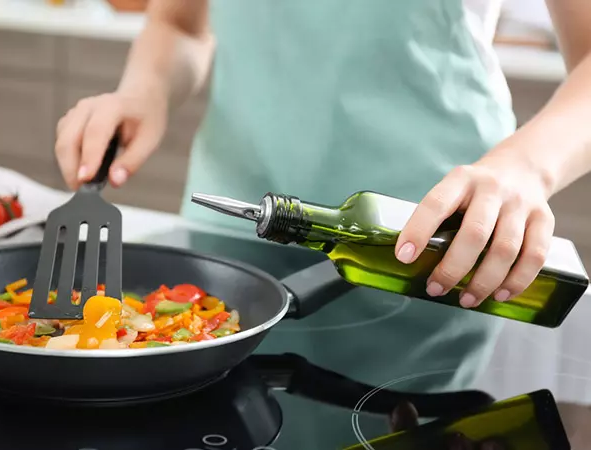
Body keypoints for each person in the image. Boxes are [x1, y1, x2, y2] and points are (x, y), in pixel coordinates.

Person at [54, 0, 591, 445]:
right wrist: (143, 90)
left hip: (431, 246)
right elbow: (179, 23)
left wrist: (523, 167)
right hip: (231, 239)